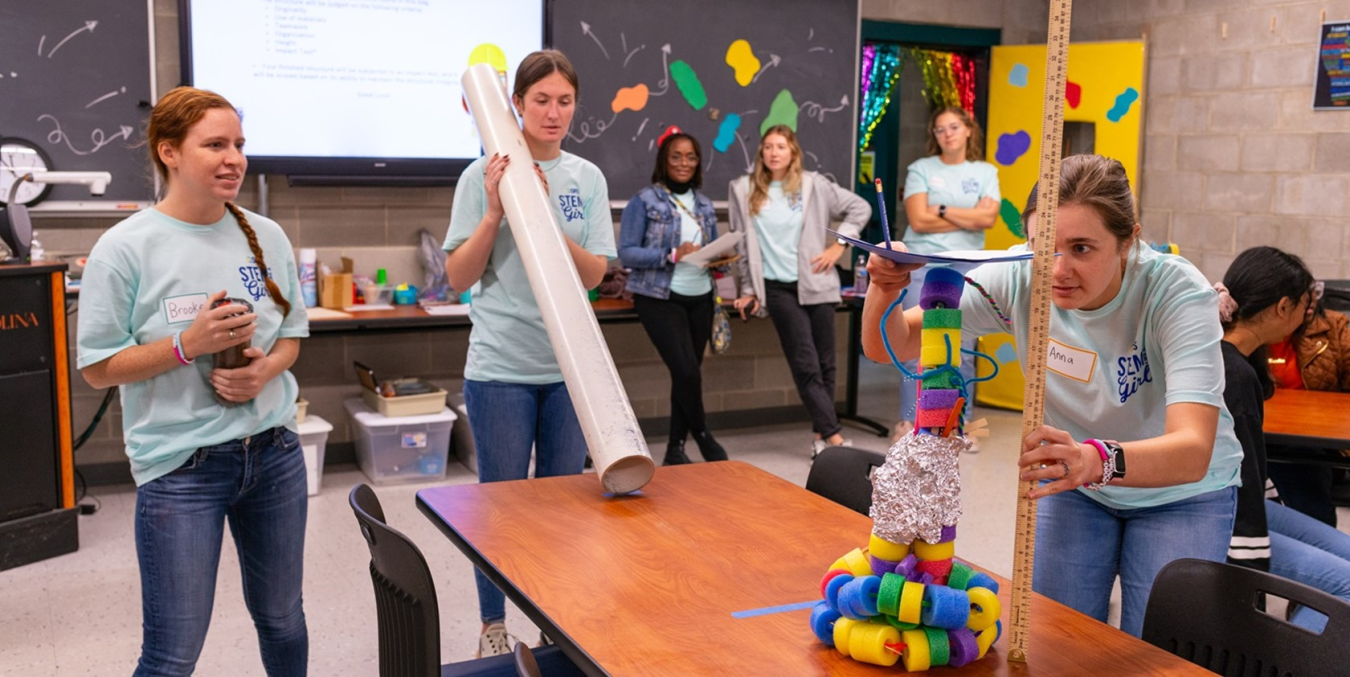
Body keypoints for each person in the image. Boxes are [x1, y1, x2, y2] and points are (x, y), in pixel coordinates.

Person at [862, 154, 1242, 638]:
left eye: (1082, 248)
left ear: (1129, 240)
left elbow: (1192, 450)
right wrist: (884, 286)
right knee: (1058, 642)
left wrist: (1092, 460)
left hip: (1182, 493)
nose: (1058, 270)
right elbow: (891, 344)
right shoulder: (1019, 274)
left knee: (1158, 651)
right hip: (1075, 482)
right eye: (1044, 247)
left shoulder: (1175, 292)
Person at [76, 87, 309, 675]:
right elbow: (98, 367)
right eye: (214, 145)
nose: (233, 158)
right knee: (172, 653)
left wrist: (264, 370)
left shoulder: (267, 235)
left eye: (238, 144)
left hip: (275, 454)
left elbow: (293, 337)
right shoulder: (123, 250)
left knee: (283, 620)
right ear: (170, 152)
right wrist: (188, 345)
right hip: (181, 469)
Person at [442, 49, 615, 658]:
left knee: (565, 504)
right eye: (540, 100)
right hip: (500, 368)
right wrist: (497, 210)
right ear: (516, 104)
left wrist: (544, 217)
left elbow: (595, 274)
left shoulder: (586, 178)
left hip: (572, 371)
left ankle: (554, 620)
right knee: (501, 504)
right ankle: (494, 624)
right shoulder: (480, 174)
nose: (552, 112)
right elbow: (459, 276)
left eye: (564, 101)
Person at [1217, 246, 1350, 632]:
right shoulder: (1232, 375)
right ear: (1282, 307)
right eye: (1304, 307)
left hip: (1247, 496)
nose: (1307, 317)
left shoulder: (1241, 358)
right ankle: (1292, 658)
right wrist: (1253, 566)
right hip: (1227, 513)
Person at [728, 125, 872, 458]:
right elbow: (742, 245)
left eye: (780, 146)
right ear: (761, 153)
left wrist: (839, 248)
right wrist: (748, 288)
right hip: (777, 289)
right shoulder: (743, 189)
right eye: (767, 147)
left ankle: (820, 436)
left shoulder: (813, 185)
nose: (773, 152)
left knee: (826, 363)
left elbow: (860, 208)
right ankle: (835, 438)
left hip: (817, 282)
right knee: (805, 362)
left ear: (793, 151)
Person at [618, 131, 729, 465]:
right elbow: (626, 253)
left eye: (691, 157)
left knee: (687, 374)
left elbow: (707, 249)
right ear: (664, 161)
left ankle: (674, 449)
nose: (684, 163)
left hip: (701, 296)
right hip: (659, 297)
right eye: (676, 156)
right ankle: (704, 435)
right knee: (686, 372)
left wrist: (718, 258)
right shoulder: (645, 201)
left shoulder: (706, 204)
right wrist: (671, 254)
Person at [895, 106, 1000, 441]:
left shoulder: (985, 172)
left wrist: (938, 208)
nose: (947, 134)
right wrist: (965, 215)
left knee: (963, 351)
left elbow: (988, 219)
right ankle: (911, 425)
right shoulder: (921, 169)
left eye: (954, 127)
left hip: (968, 265)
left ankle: (956, 425)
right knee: (918, 348)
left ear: (968, 130)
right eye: (940, 129)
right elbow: (918, 221)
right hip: (925, 265)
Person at [1264, 283, 1350, 526]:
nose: (1309, 304)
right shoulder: (1249, 332)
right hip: (1262, 434)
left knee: (1297, 463)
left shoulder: (1333, 326)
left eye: (1310, 297)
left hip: (1316, 443)